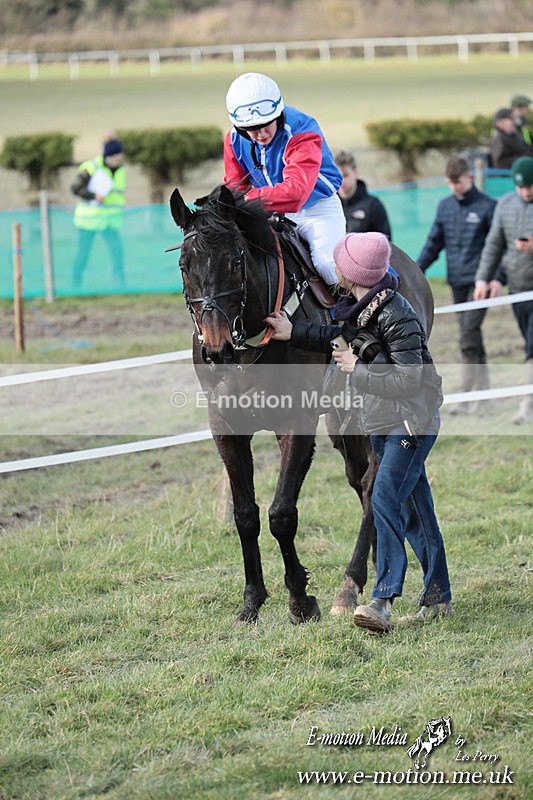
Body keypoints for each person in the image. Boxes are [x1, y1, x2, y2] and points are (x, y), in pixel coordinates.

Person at [265, 232, 452, 633]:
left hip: (409, 424)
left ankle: (382, 601)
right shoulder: (362, 306)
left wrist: (357, 370)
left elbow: (409, 381)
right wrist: (291, 332)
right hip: (388, 422)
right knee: (416, 510)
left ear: (352, 274)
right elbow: (334, 336)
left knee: (383, 498)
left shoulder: (396, 315)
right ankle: (438, 597)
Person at [223, 72, 345, 286]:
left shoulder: (302, 131)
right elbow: (235, 187)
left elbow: (294, 193)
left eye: (266, 124)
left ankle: (369, 306)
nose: (261, 134)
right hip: (269, 213)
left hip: (317, 210)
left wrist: (243, 200)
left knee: (327, 265)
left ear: (277, 115)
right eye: (252, 128)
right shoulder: (233, 139)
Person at [417, 155, 500, 408]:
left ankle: (467, 394)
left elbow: (498, 247)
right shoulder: (445, 207)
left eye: (459, 182)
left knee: (468, 335)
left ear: (470, 178)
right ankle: (482, 395)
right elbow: (434, 243)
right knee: (471, 336)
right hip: (456, 281)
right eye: (451, 183)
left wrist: (496, 278)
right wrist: (416, 270)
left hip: (480, 283)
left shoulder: (488, 206)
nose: (455, 187)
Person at [474, 156, 533, 425]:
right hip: (518, 290)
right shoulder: (505, 205)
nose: (526, 192)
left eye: (530, 186)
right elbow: (494, 244)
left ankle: (526, 405)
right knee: (527, 342)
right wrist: (482, 279)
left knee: (532, 348)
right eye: (522, 187)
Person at [71, 137, 126, 288]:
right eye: (117, 156)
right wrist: (94, 196)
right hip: (89, 220)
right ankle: (76, 283)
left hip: (110, 221)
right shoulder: (91, 167)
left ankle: (120, 284)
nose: (120, 159)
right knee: (83, 254)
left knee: (117, 252)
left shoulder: (121, 170)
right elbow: (75, 188)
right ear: (109, 156)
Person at [334, 150, 392, 239]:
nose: (341, 181)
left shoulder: (373, 206)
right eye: (337, 176)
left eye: (345, 175)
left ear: (356, 173)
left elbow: (385, 244)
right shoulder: (330, 206)